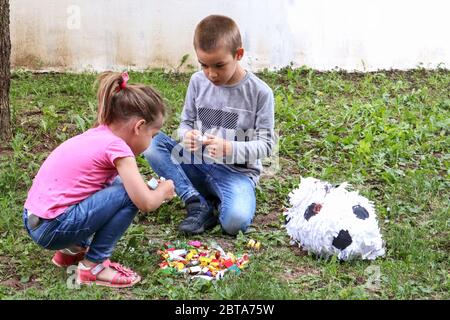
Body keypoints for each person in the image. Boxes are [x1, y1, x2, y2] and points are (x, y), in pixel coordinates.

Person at [23, 71, 175, 288]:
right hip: (53, 227)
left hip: (35, 219)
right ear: (139, 126)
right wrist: (163, 191)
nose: (150, 142)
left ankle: (71, 250)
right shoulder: (118, 147)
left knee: (114, 186)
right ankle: (94, 266)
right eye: (152, 135)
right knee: (127, 193)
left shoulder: (97, 133)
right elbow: (145, 202)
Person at [144, 15, 275, 236]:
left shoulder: (260, 93)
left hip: (237, 174)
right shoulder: (197, 82)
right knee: (151, 142)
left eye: (219, 65)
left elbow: (267, 145)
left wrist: (231, 149)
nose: (211, 74)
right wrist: (186, 135)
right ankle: (196, 201)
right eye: (204, 65)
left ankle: (216, 201)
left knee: (235, 222)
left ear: (239, 54)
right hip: (196, 162)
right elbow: (185, 123)